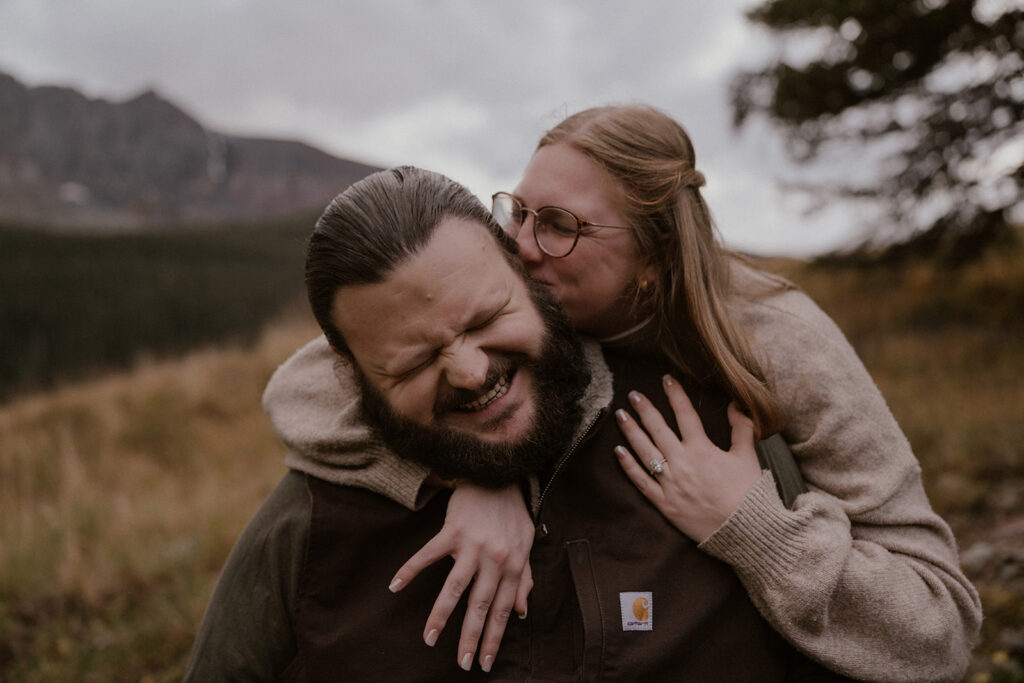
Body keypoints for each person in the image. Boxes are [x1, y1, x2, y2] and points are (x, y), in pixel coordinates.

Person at [266, 105, 982, 682]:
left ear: (655, 255)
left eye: (560, 227)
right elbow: (303, 388)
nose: (520, 247)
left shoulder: (780, 340)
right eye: (518, 211)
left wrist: (752, 526)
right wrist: (479, 471)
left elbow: (939, 626)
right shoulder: (531, 306)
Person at [184, 166, 839, 681]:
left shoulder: (716, 437)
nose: (469, 372)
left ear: (532, 281)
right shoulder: (307, 530)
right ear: (355, 381)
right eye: (414, 361)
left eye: (483, 318)